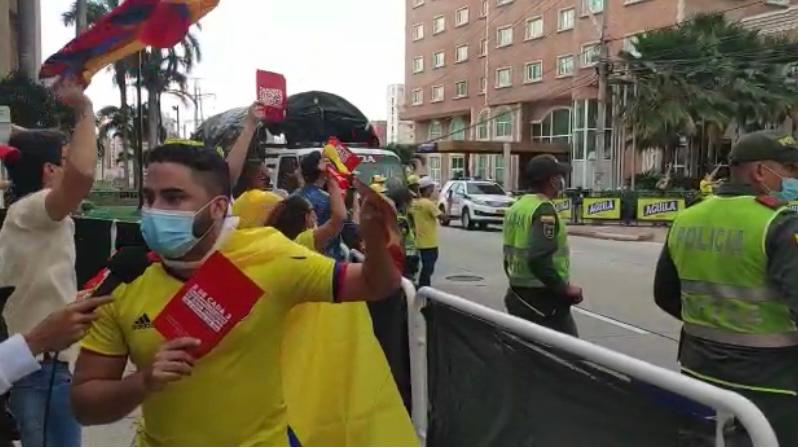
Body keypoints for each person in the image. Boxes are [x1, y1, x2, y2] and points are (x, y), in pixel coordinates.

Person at [70, 143, 402, 446]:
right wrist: (141, 382)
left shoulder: (269, 255)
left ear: (217, 208)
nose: (154, 210)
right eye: (149, 197)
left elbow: (376, 284)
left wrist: (376, 239)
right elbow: (85, 405)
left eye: (173, 198)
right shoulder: (125, 279)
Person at [654, 131, 798, 445]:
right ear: (761, 172)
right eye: (789, 171)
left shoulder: (687, 218)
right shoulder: (780, 222)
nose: (792, 179)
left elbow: (664, 294)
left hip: (699, 371)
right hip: (772, 383)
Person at [266, 178, 416, 446]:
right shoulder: (302, 243)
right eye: (312, 212)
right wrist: (337, 185)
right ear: (307, 218)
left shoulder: (277, 250)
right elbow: (338, 219)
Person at [0, 83, 97, 447]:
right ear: (48, 171)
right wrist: (84, 111)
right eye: (64, 158)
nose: (70, 162)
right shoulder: (35, 208)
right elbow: (83, 176)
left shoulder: (25, 216)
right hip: (42, 368)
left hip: (39, 365)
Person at [502, 155, 583, 336]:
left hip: (518, 294)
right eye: (558, 176)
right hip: (543, 300)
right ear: (551, 180)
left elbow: (509, 253)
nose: (561, 181)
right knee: (569, 355)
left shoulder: (518, 206)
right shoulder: (544, 209)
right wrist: (565, 288)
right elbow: (538, 257)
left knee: (527, 355)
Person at [298, 151, 345, 260]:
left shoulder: (294, 197)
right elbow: (341, 223)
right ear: (323, 172)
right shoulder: (329, 201)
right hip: (326, 260)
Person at [410, 176, 440, 288]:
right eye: (432, 187)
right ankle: (424, 289)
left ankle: (423, 288)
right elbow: (444, 217)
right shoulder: (428, 204)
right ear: (428, 189)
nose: (433, 190)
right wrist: (449, 203)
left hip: (419, 241)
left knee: (426, 266)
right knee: (428, 267)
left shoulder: (415, 203)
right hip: (430, 242)